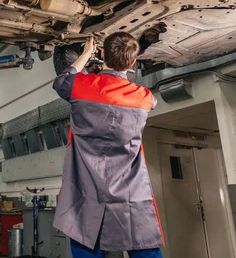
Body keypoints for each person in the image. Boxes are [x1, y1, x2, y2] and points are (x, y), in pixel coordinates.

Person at [52, 32, 164, 258]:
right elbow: (153, 101)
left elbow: (62, 79)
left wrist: (85, 54)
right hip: (130, 190)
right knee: (144, 247)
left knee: (85, 243)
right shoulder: (144, 97)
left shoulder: (82, 86)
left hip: (86, 188)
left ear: (102, 54)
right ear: (133, 62)